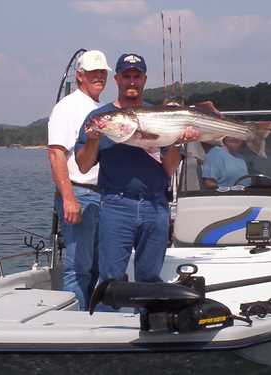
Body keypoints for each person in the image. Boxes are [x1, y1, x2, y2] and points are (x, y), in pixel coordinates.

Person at [75, 53, 199, 291]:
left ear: (144, 79)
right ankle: (106, 326)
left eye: (137, 76)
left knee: (150, 278)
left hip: (156, 206)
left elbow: (170, 167)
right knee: (110, 279)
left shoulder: (162, 115)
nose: (132, 81)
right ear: (117, 79)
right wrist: (92, 139)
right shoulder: (99, 118)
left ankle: (148, 325)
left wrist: (177, 141)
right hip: (116, 206)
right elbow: (83, 165)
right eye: (126, 76)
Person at [47, 50, 112, 310]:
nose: (99, 77)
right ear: (80, 76)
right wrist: (68, 198)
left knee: (99, 266)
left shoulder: (102, 109)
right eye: (93, 72)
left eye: (102, 73)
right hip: (80, 194)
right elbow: (55, 153)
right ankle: (74, 321)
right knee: (78, 267)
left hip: (104, 196)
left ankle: (93, 317)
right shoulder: (67, 107)